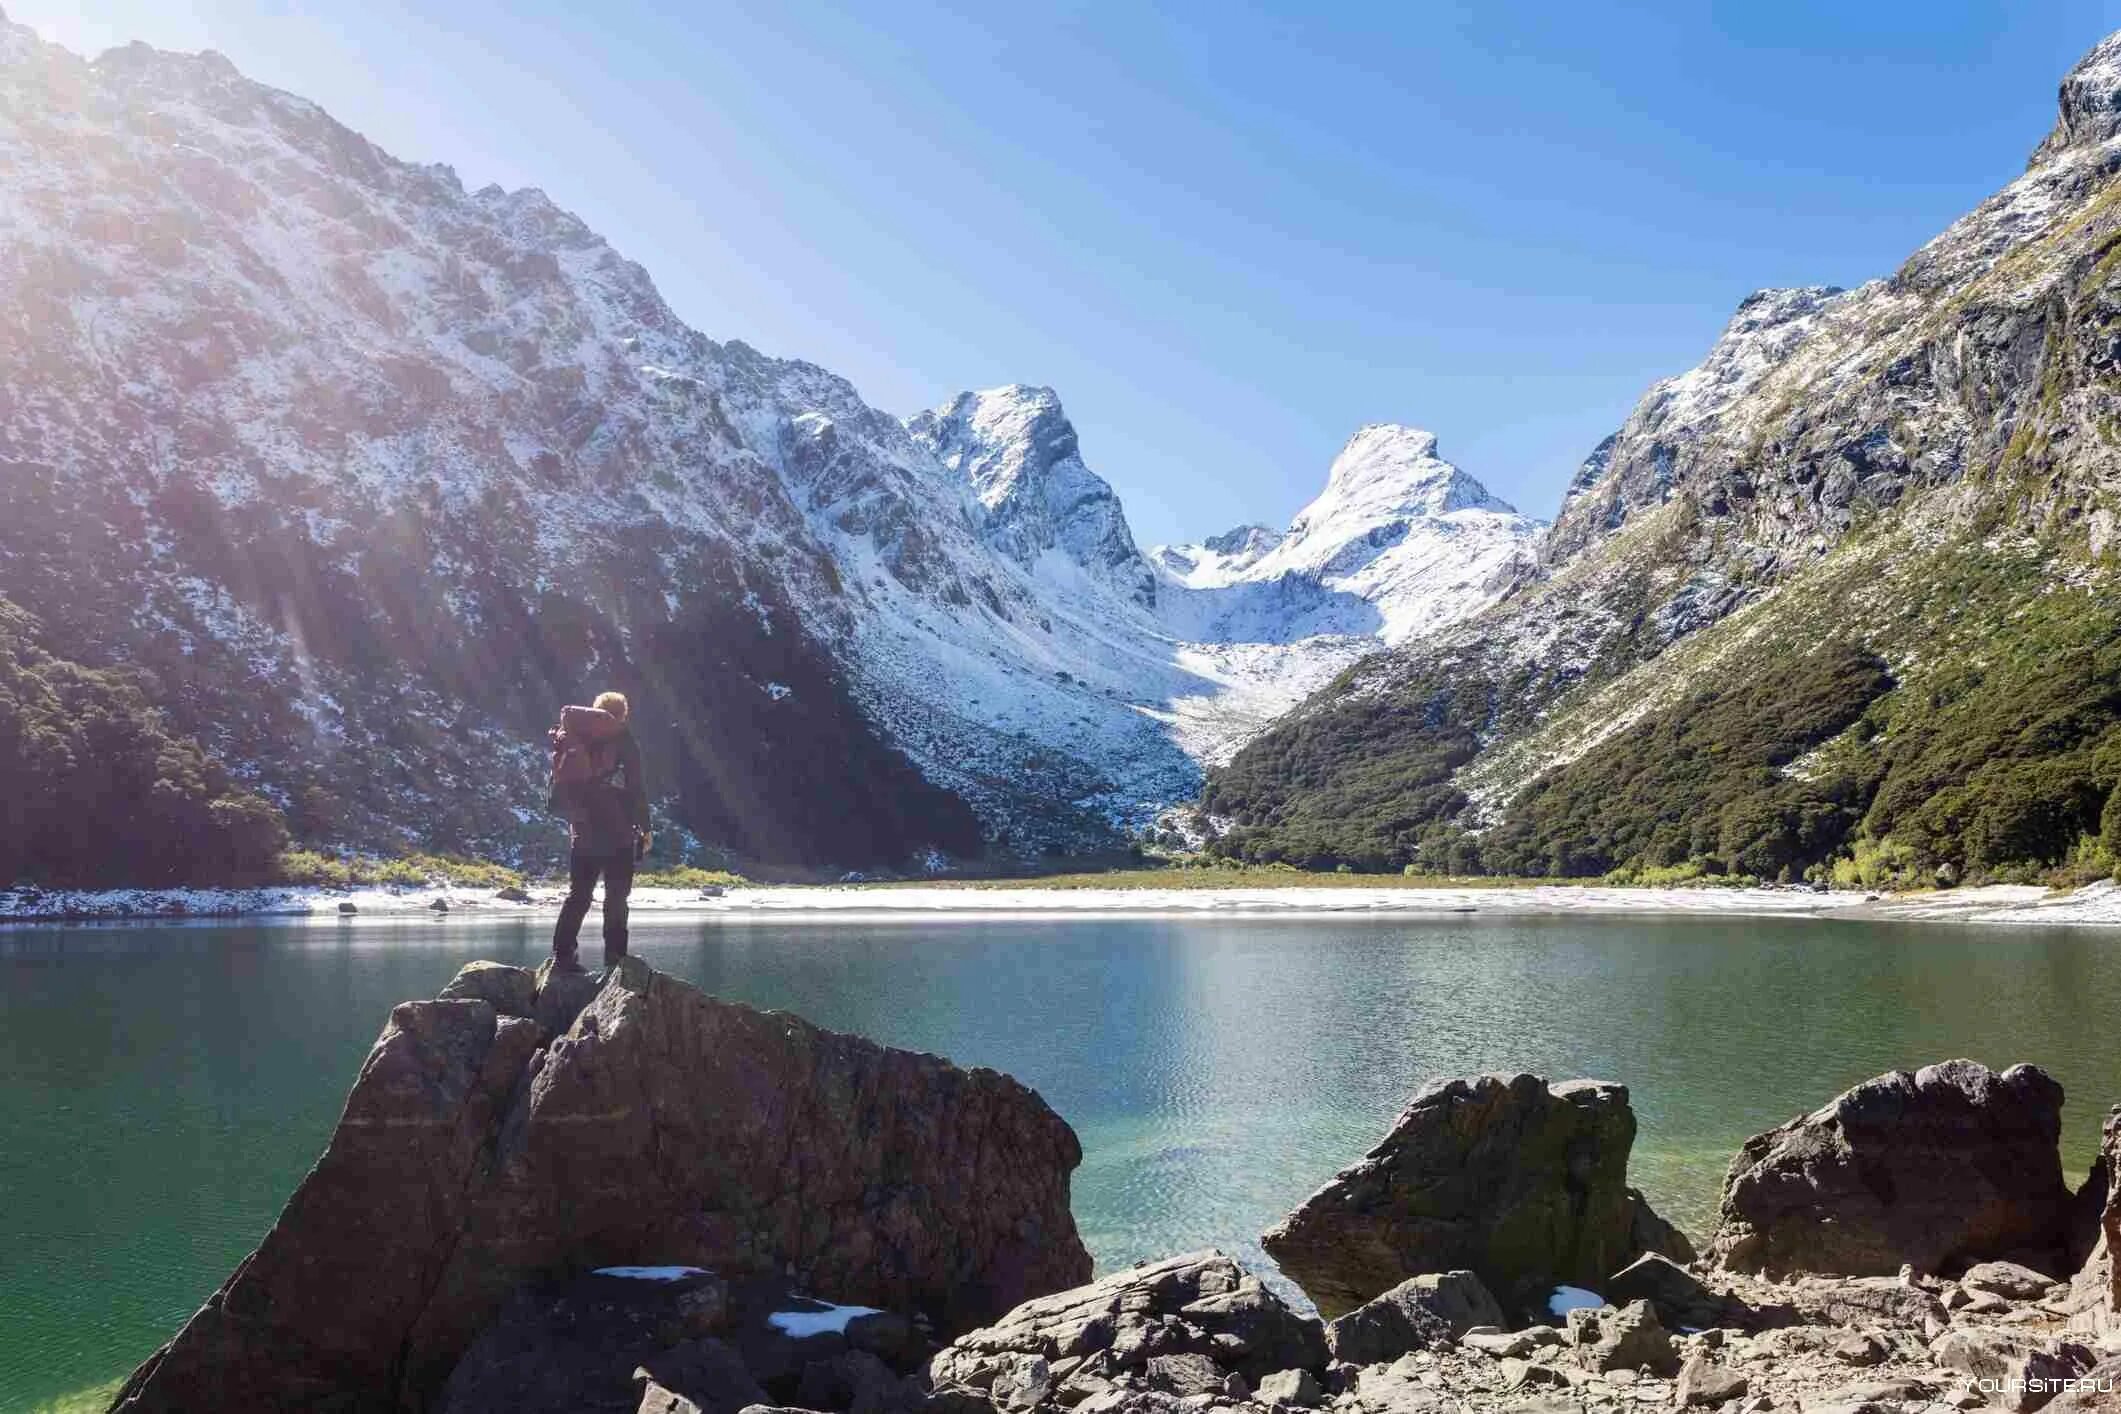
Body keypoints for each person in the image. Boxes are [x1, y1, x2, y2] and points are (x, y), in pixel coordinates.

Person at [548, 690, 650, 972]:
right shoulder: (623, 739)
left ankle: (563, 956)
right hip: (617, 832)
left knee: (578, 894)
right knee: (616, 897)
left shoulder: (573, 736)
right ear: (623, 715)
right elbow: (636, 788)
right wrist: (645, 827)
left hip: (582, 830)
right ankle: (615, 961)